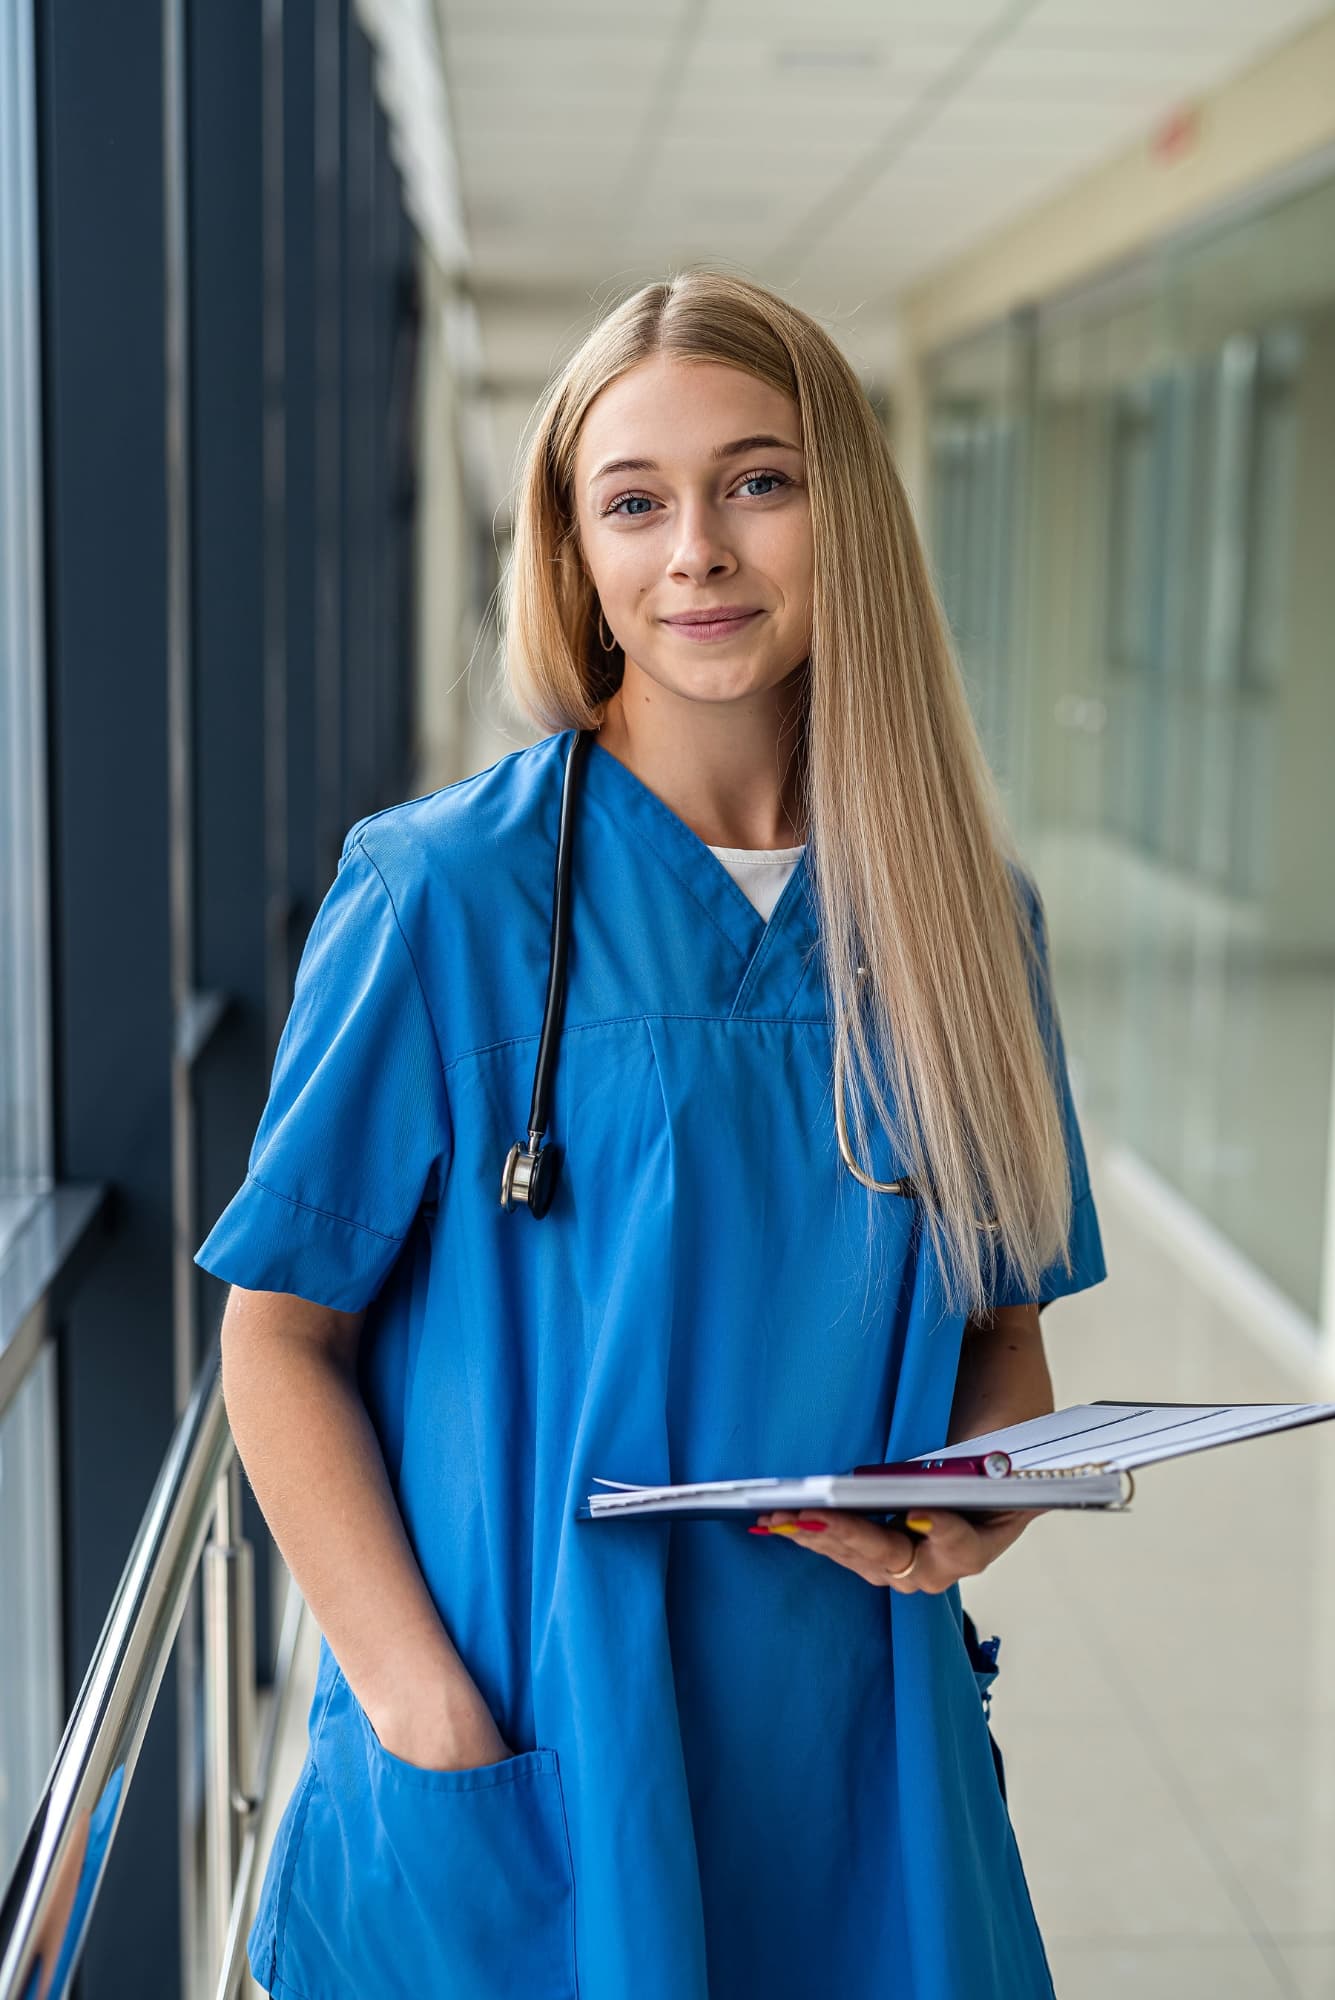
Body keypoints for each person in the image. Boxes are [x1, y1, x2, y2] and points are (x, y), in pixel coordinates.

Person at [195, 267, 1107, 2000]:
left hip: (859, 1754)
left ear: (845, 510)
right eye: (636, 500)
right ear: (578, 552)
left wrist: (991, 1503)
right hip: (531, 1743)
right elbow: (277, 1340)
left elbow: (1004, 1337)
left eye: (758, 481)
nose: (697, 547)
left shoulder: (963, 920)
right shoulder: (441, 896)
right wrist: (421, 1704)